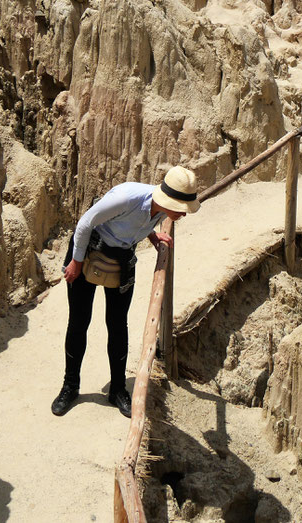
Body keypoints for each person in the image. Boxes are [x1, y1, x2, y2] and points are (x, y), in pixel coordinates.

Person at [51, 165, 200, 417]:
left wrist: (152, 236)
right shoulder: (128, 197)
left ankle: (118, 390)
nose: (184, 215)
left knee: (118, 325)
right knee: (79, 322)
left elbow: (133, 224)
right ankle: (70, 386)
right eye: (182, 209)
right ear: (169, 201)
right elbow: (85, 223)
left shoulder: (160, 210)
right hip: (87, 252)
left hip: (121, 259)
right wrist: (75, 262)